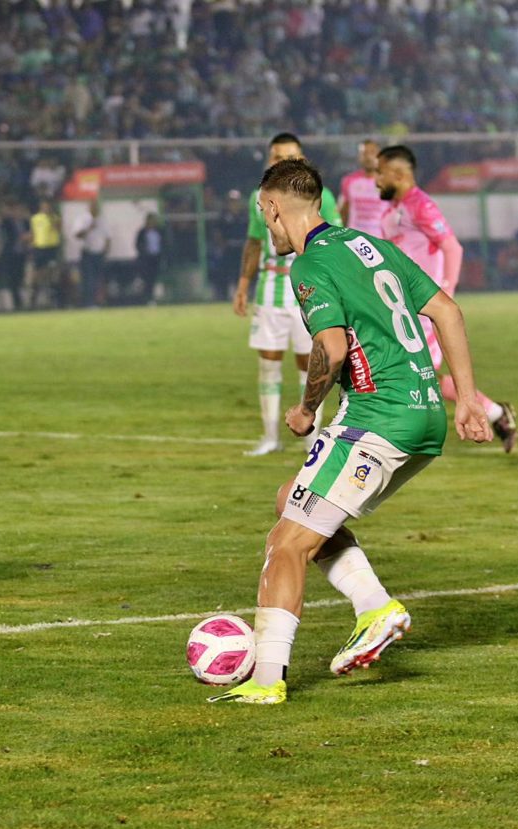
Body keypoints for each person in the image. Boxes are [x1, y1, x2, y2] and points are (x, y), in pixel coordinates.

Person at [209, 159, 494, 706]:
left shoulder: (311, 265)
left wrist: (306, 409)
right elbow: (448, 312)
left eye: (265, 217)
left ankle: (266, 680)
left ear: (271, 208)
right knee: (289, 502)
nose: (268, 227)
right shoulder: (371, 246)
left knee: (286, 544)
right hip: (425, 415)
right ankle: (374, 608)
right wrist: (470, 399)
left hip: (375, 417)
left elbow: (332, 348)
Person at [376, 145, 518, 452]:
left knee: (414, 370)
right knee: (421, 373)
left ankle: (404, 436)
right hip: (404, 306)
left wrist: (446, 292)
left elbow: (452, 247)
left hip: (425, 308)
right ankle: (495, 413)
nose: (375, 179)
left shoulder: (420, 205)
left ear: (398, 174)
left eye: (380, 172)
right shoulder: (392, 210)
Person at [233, 132, 342, 458]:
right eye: (276, 156)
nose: (281, 162)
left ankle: (312, 440)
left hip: (307, 289)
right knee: (268, 364)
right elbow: (254, 242)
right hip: (270, 287)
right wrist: (242, 285)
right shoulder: (259, 196)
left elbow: (332, 242)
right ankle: (270, 437)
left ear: (302, 160)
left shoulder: (323, 196)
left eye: (289, 157)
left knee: (311, 364)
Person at [337, 139, 384, 237]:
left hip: (381, 241)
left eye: (372, 152)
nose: (368, 157)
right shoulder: (348, 181)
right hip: (355, 240)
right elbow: (343, 212)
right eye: (364, 153)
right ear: (359, 156)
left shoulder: (388, 182)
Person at [73, 200, 111, 307]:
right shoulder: (83, 219)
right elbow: (77, 235)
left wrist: (106, 249)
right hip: (87, 253)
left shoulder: (103, 220)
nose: (94, 209)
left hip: (99, 253)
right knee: (88, 279)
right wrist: (88, 228)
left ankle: (99, 301)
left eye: (96, 207)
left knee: (99, 279)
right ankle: (88, 302)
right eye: (92, 207)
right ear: (88, 208)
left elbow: (108, 236)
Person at [28, 198, 62, 309]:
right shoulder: (35, 218)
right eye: (44, 206)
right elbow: (33, 233)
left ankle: (54, 298)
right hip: (39, 248)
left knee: (52, 273)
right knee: (37, 274)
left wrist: (53, 220)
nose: (46, 208)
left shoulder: (55, 218)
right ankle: (34, 299)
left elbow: (59, 230)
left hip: (52, 248)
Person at [134, 212, 163, 305]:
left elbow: (164, 244)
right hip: (146, 259)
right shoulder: (142, 232)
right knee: (146, 279)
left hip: (156, 258)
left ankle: (153, 298)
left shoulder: (160, 231)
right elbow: (138, 245)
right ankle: (146, 298)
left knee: (154, 279)